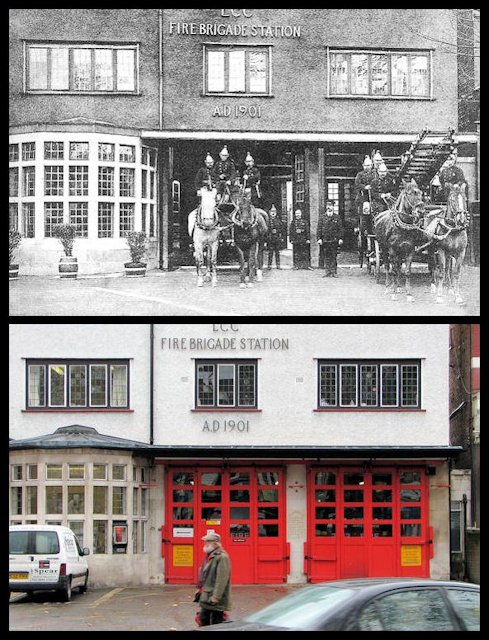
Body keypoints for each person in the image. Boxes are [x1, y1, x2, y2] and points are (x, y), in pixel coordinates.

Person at [195, 532, 232, 627]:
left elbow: (222, 579)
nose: (205, 544)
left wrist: (216, 596)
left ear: (215, 544)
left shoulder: (222, 557)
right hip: (207, 594)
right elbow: (204, 575)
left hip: (214, 597)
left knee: (216, 622)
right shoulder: (209, 555)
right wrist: (199, 589)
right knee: (203, 619)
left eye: (207, 542)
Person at [317, 201, 344, 277]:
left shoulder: (337, 217)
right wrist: (319, 238)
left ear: (333, 207)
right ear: (326, 207)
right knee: (326, 256)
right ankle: (327, 272)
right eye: (328, 205)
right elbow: (319, 229)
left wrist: (340, 238)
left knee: (333, 256)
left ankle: (334, 272)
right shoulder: (322, 217)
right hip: (325, 240)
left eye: (331, 206)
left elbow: (340, 229)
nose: (329, 207)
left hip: (334, 240)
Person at [354, 155, 375, 223]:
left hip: (373, 197)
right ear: (363, 165)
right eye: (365, 165)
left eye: (368, 165)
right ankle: (362, 230)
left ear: (371, 165)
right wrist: (364, 187)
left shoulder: (375, 174)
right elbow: (357, 184)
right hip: (363, 198)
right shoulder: (360, 174)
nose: (367, 167)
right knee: (363, 216)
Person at [267, 205, 285, 270]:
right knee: (270, 253)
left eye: (274, 211)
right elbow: (266, 230)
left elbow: (282, 229)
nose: (273, 213)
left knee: (277, 252)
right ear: (269, 212)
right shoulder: (267, 221)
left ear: (276, 212)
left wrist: (280, 235)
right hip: (270, 238)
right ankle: (269, 265)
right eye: (272, 211)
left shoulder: (278, 220)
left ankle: (278, 265)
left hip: (277, 238)